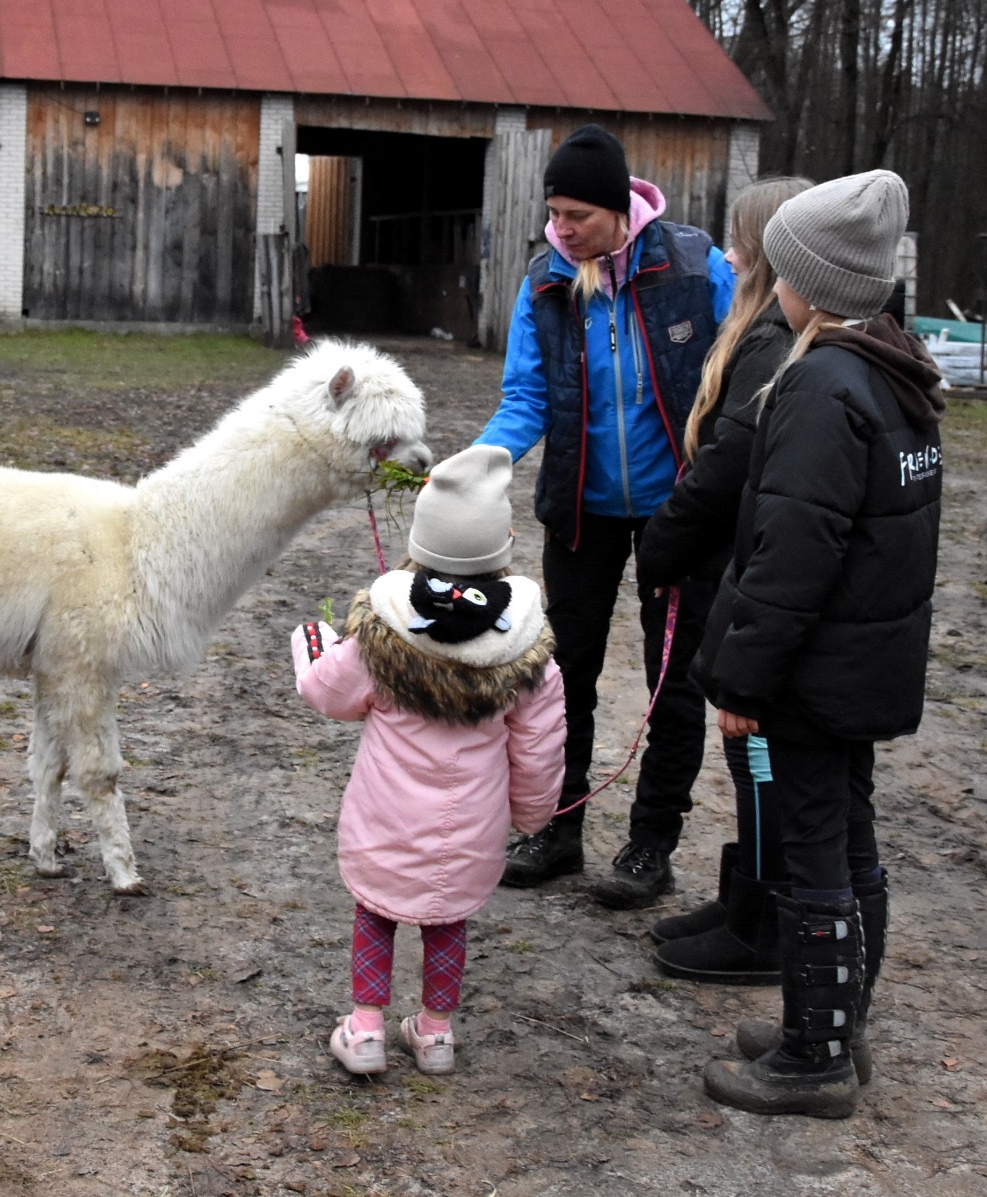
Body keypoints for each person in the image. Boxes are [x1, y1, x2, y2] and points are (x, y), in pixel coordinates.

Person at [689, 169, 944, 1118]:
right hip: (862, 663)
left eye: (781, 266)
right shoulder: (895, 369)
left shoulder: (819, 386)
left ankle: (813, 1056)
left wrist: (742, 675)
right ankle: (839, 1020)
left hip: (810, 672)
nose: (769, 279)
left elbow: (791, 552)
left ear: (811, 283)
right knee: (850, 835)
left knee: (813, 853)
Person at [473, 124, 735, 909]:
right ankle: (559, 830)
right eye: (554, 213)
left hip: (678, 513)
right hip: (580, 511)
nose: (562, 229)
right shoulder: (545, 281)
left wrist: (723, 481)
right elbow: (524, 397)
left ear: (619, 208)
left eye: (576, 215)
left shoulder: (696, 266)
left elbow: (738, 376)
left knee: (672, 679)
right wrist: (476, 466)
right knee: (564, 674)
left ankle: (651, 844)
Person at [290, 445, 565, 1076]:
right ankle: (436, 1034)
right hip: (468, 829)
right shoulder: (528, 653)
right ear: (504, 544)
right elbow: (540, 747)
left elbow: (328, 693)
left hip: (383, 822)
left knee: (376, 913)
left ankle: (364, 1031)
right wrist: (530, 814)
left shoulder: (380, 636)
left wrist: (313, 642)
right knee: (447, 922)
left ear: (420, 539)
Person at [636, 176, 814, 985]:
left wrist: (663, 544)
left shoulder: (775, 344)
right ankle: (746, 893)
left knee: (761, 749)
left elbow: (726, 461)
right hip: (730, 565)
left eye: (740, 239)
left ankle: (764, 920)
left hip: (744, 566)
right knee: (749, 751)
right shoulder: (759, 330)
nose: (726, 251)